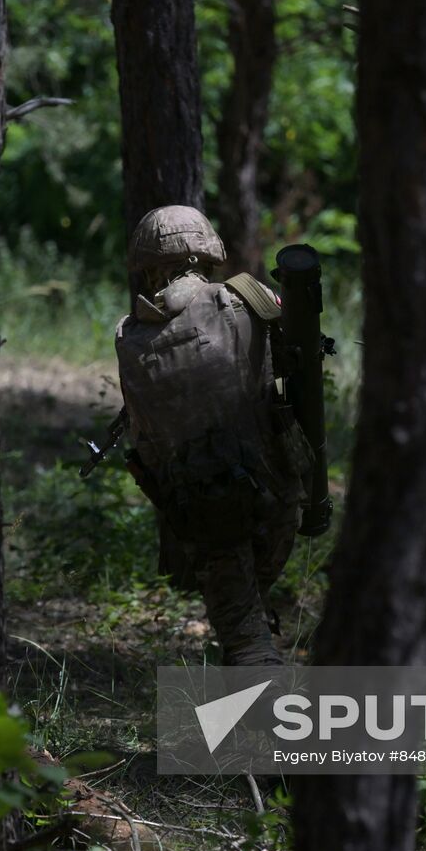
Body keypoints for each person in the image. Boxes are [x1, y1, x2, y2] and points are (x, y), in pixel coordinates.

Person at [115, 206, 311, 667]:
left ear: (145, 263)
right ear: (207, 249)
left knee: (242, 628)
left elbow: (147, 440)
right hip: (273, 489)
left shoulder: (130, 335)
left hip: (199, 507)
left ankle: (260, 721)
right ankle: (268, 726)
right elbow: (300, 359)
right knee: (247, 627)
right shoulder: (246, 297)